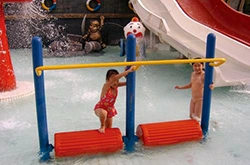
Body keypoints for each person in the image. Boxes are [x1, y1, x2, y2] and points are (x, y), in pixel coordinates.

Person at [94, 66, 135, 133]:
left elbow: (129, 83)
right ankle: (102, 126)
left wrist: (127, 76)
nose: (115, 82)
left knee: (109, 129)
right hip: (100, 108)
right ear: (107, 80)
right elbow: (115, 78)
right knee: (104, 113)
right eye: (112, 80)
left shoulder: (116, 86)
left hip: (110, 110)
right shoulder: (106, 86)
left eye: (117, 81)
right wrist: (128, 71)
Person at [175, 58, 214, 122]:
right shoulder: (193, 74)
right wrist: (180, 87)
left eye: (199, 65)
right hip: (193, 99)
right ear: (192, 66)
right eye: (195, 66)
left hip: (200, 99)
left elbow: (211, 84)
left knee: (196, 118)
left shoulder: (204, 75)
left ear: (203, 66)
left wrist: (212, 86)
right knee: (191, 116)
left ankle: (203, 128)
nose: (197, 68)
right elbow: (190, 85)